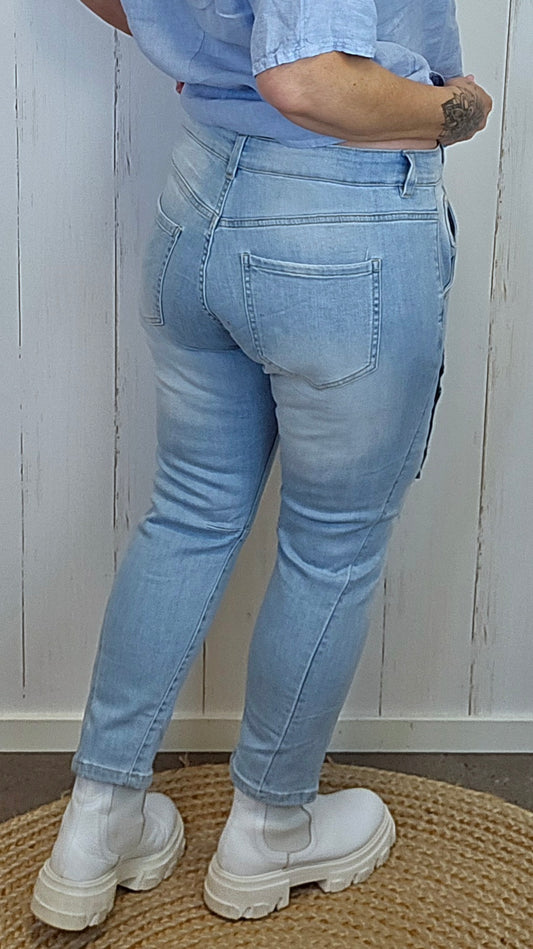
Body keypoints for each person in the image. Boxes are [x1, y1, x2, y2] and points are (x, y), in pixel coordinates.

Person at [31, 0, 493, 931]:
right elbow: (307, 81)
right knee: (331, 548)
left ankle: (98, 821)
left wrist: (197, 43)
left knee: (189, 513)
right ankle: (270, 828)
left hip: (203, 195)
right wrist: (458, 111)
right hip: (342, 222)